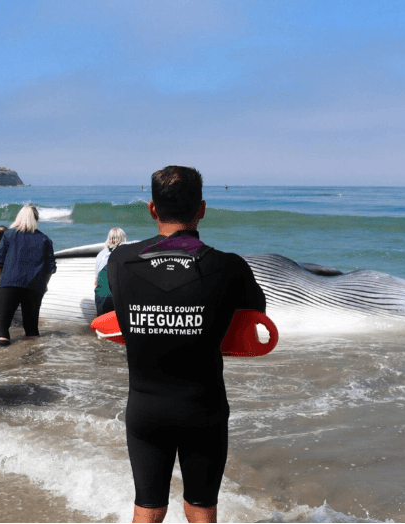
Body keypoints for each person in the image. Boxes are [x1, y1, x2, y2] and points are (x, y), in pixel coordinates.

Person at [107, 166, 266, 523]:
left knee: (147, 508)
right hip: (203, 410)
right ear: (202, 209)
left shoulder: (119, 262)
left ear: (152, 209)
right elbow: (254, 320)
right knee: (200, 507)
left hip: (145, 408)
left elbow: (108, 312)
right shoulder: (230, 267)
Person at [0, 205, 56, 346]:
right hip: (35, 286)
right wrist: (43, 286)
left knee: (2, 331)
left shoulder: (9, 235)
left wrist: (2, 281)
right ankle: (31, 361)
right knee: (32, 330)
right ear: (37, 219)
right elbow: (50, 268)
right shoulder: (45, 239)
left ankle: (2, 363)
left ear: (18, 217)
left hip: (10, 283)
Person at [94, 227, 127, 316]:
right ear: (123, 238)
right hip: (118, 297)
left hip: (102, 296)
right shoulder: (127, 252)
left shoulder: (101, 254)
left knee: (103, 326)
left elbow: (96, 282)